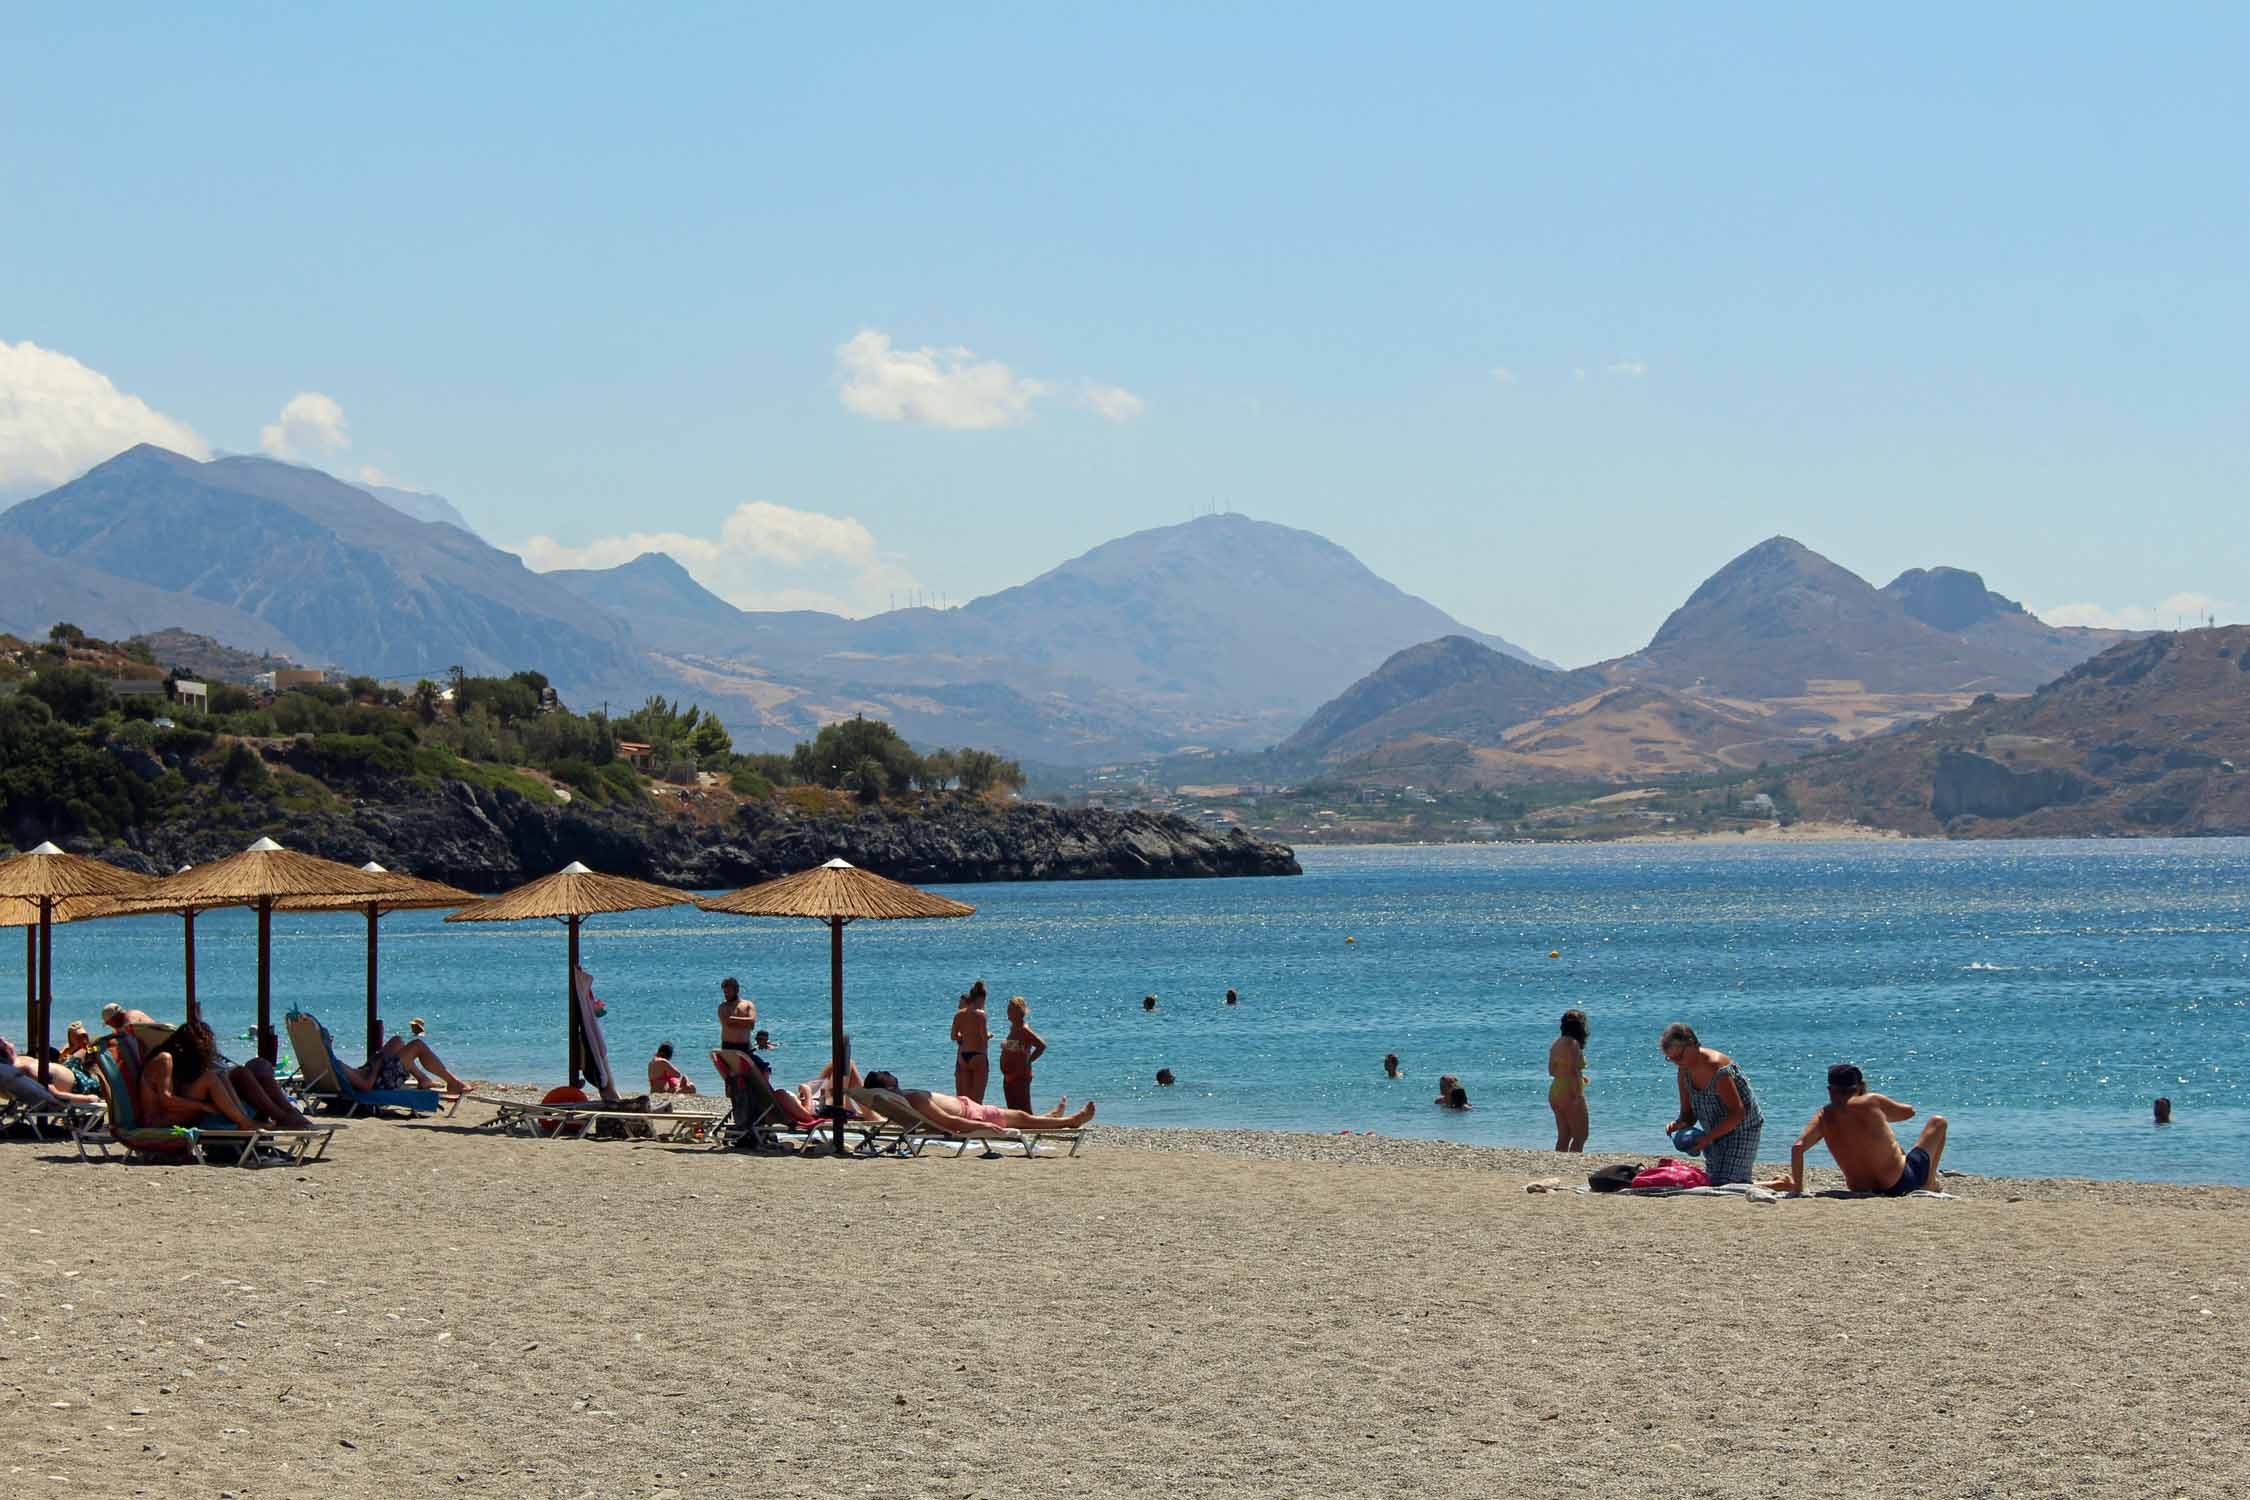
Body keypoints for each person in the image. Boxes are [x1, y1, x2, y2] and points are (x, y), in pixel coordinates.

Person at [1763, 1064, 1949, 1196]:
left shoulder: (1823, 1115)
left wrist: (1798, 1189)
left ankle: (1928, 1182)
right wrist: (1879, 1116)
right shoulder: (1871, 1101)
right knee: (1938, 1122)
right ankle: (1929, 1183)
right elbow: (1909, 1112)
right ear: (1859, 1086)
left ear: (1830, 1090)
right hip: (1899, 1183)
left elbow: (1797, 1147)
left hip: (1860, 1188)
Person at [141, 1020, 312, 1131]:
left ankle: (249, 1119)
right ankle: (247, 1122)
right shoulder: (164, 1058)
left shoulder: (174, 1061)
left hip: (172, 1114)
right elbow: (166, 1099)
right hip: (159, 1121)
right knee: (210, 1077)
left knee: (223, 1074)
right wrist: (203, 1106)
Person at [1660, 1022, 1765, 1186]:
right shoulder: (1684, 1070)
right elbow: (1688, 1115)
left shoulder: (1715, 1067)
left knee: (1728, 1184)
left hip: (1743, 1127)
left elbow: (1738, 1113)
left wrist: (1707, 1138)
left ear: (1692, 1045)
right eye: (1671, 1059)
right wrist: (1678, 1124)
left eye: (1679, 1057)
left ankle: (1778, 1183)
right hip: (1714, 1129)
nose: (1676, 1062)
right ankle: (1779, 1183)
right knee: (1713, 1183)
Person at [864, 1070, 1094, 1133]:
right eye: (885, 1073)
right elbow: (949, 1122)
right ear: (888, 1086)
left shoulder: (904, 1098)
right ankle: (1069, 1121)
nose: (888, 1071)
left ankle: (1050, 1117)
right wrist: (982, 1127)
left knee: (1021, 1119)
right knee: (1022, 1118)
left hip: (971, 1109)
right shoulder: (912, 1098)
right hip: (974, 1116)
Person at [340, 1024, 468, 1096]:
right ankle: (452, 1083)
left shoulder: (329, 1064)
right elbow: (366, 1085)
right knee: (417, 1045)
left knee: (397, 1041)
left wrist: (375, 1062)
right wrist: (377, 1064)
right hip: (379, 1083)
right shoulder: (336, 1064)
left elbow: (358, 1075)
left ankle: (423, 1079)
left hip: (373, 1074)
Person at [1, 1033, 99, 1107]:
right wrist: (88, 1098)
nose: (9, 1041)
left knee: (92, 1044)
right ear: (7, 1048)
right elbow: (56, 1095)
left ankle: (78, 1048)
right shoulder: (28, 1069)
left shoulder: (20, 1060)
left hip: (69, 1067)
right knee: (98, 1047)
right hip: (81, 1084)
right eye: (6, 1041)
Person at [1549, 1009, 1590, 1152]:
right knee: (1581, 1135)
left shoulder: (1556, 1043)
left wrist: (1579, 1076)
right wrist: (1578, 1095)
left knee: (1564, 1136)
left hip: (1556, 1090)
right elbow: (1573, 1070)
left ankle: (1559, 1165)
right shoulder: (1573, 1045)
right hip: (1570, 1092)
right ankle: (1574, 1165)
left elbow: (1552, 1071)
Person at [998, 996, 1046, 1113]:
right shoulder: (1014, 1028)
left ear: (1019, 1012)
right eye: (1008, 1009)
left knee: (1024, 1109)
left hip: (1020, 1075)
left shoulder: (1024, 1029)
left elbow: (1041, 1046)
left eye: (1010, 1009)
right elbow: (1017, 1048)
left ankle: (1034, 1128)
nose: (1007, 1012)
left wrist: (1028, 1061)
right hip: (1009, 1075)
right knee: (1013, 1110)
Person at [951, 981, 991, 1103]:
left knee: (964, 1099)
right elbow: (983, 1037)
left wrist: (964, 1037)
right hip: (978, 1055)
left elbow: (953, 1036)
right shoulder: (981, 1015)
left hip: (963, 1056)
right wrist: (990, 1035)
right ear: (981, 998)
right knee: (977, 1099)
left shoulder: (959, 1014)